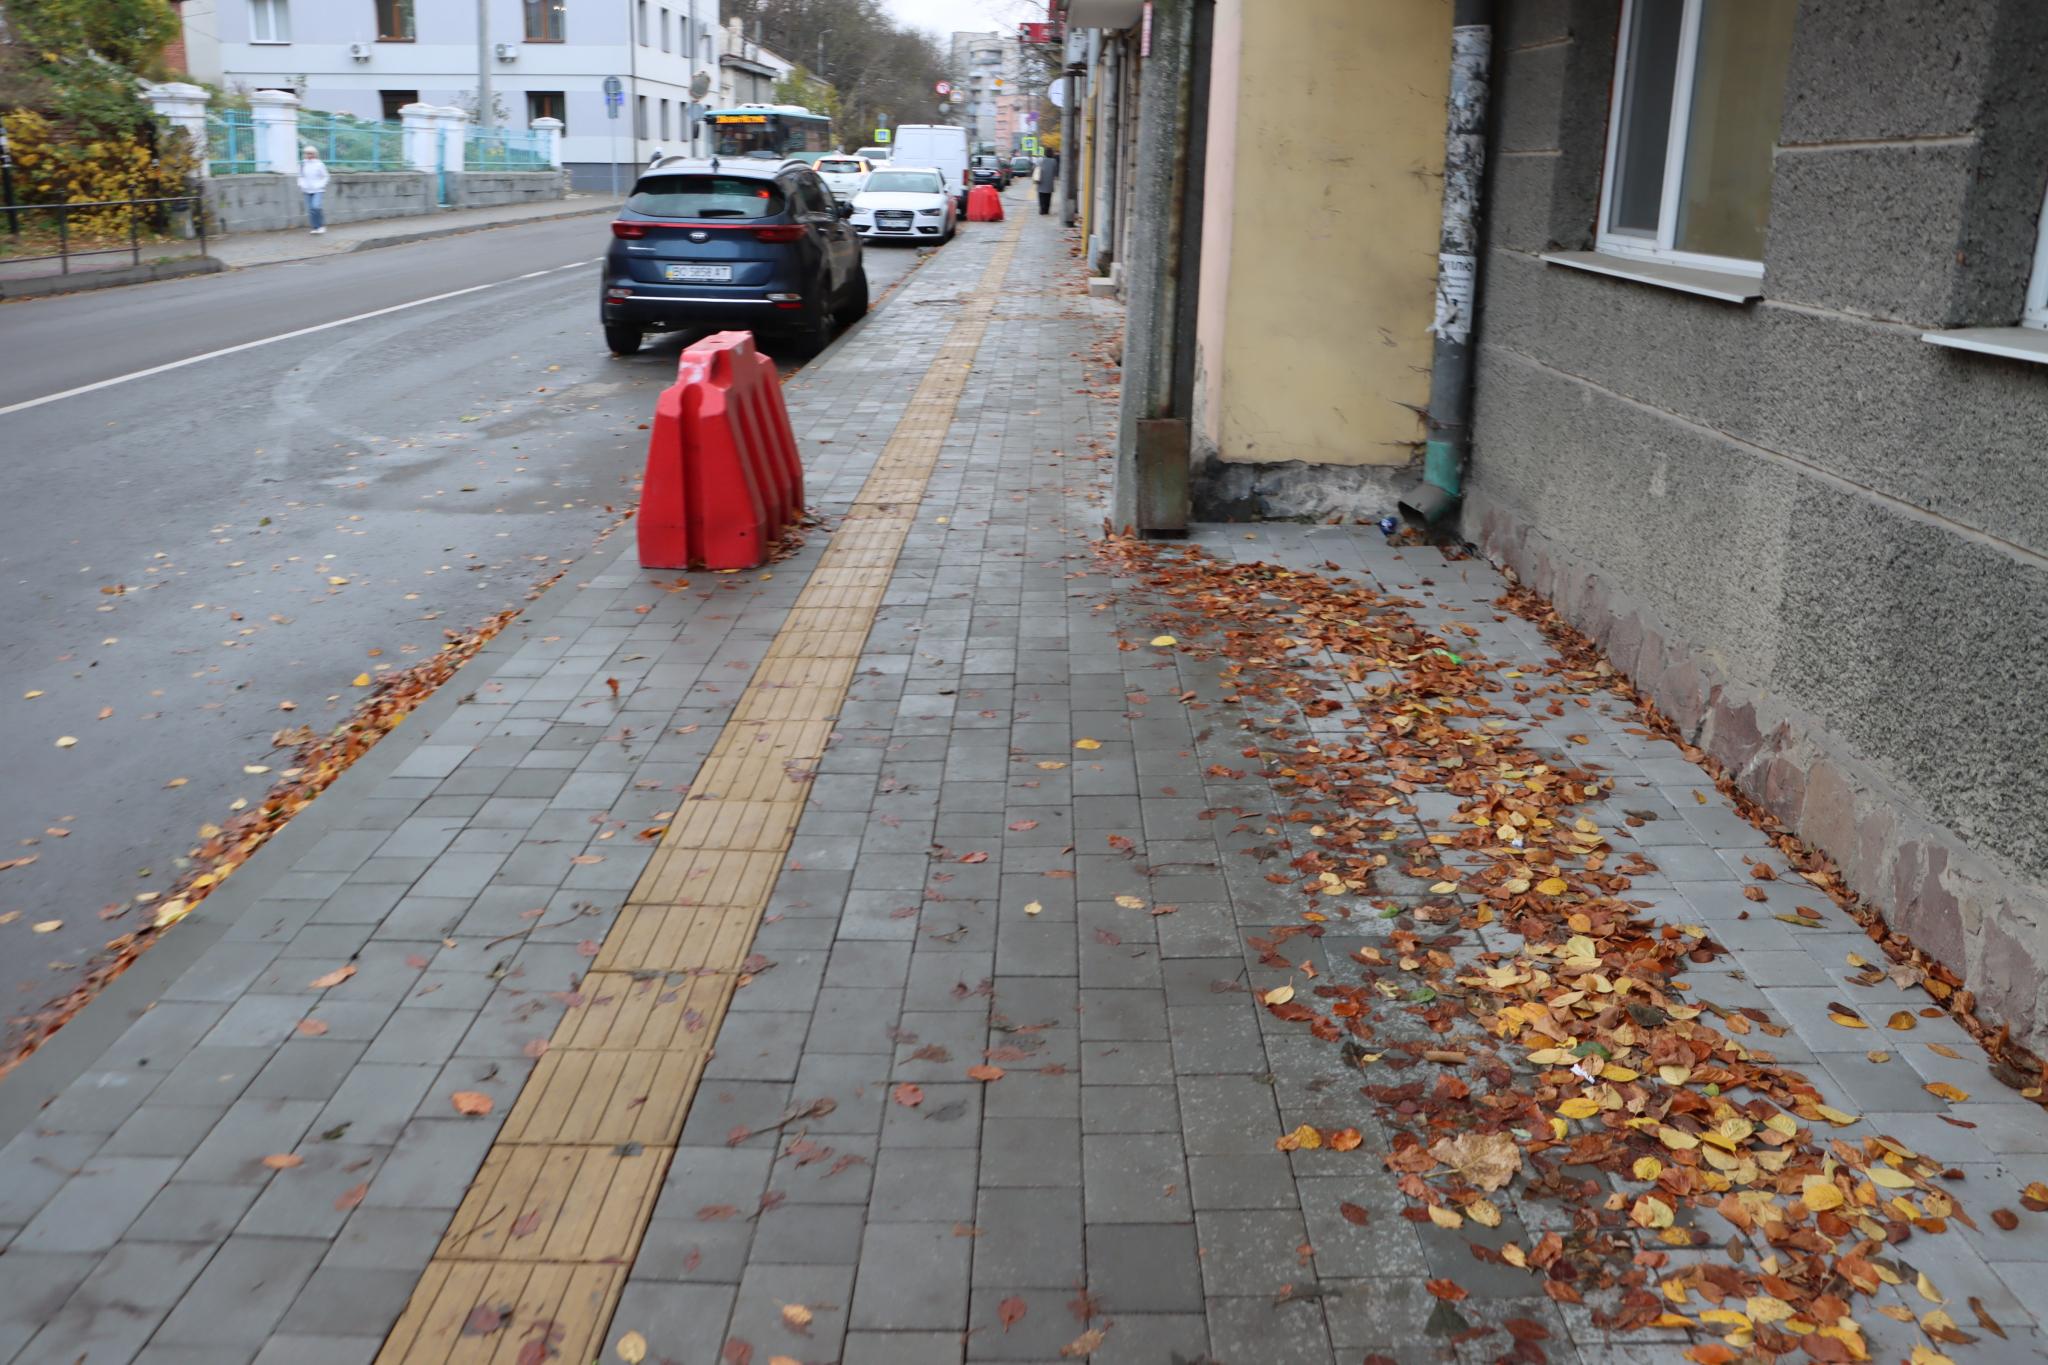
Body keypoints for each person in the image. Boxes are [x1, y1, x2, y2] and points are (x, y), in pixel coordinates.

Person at [299, 146, 329, 235]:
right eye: (306, 153)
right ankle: (315, 227)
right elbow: (300, 176)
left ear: (315, 154)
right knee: (311, 209)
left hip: (318, 190)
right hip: (306, 189)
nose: (308, 155)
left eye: (310, 153)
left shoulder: (319, 164)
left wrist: (320, 185)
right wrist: (301, 184)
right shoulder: (302, 164)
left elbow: (326, 176)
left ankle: (321, 226)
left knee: (316, 207)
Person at [1034, 150, 1060, 217]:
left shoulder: (1041, 160)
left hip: (1041, 181)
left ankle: (1042, 210)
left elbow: (1036, 168)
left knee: (1041, 196)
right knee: (1048, 197)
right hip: (1049, 182)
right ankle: (1047, 210)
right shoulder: (1054, 161)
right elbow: (1055, 171)